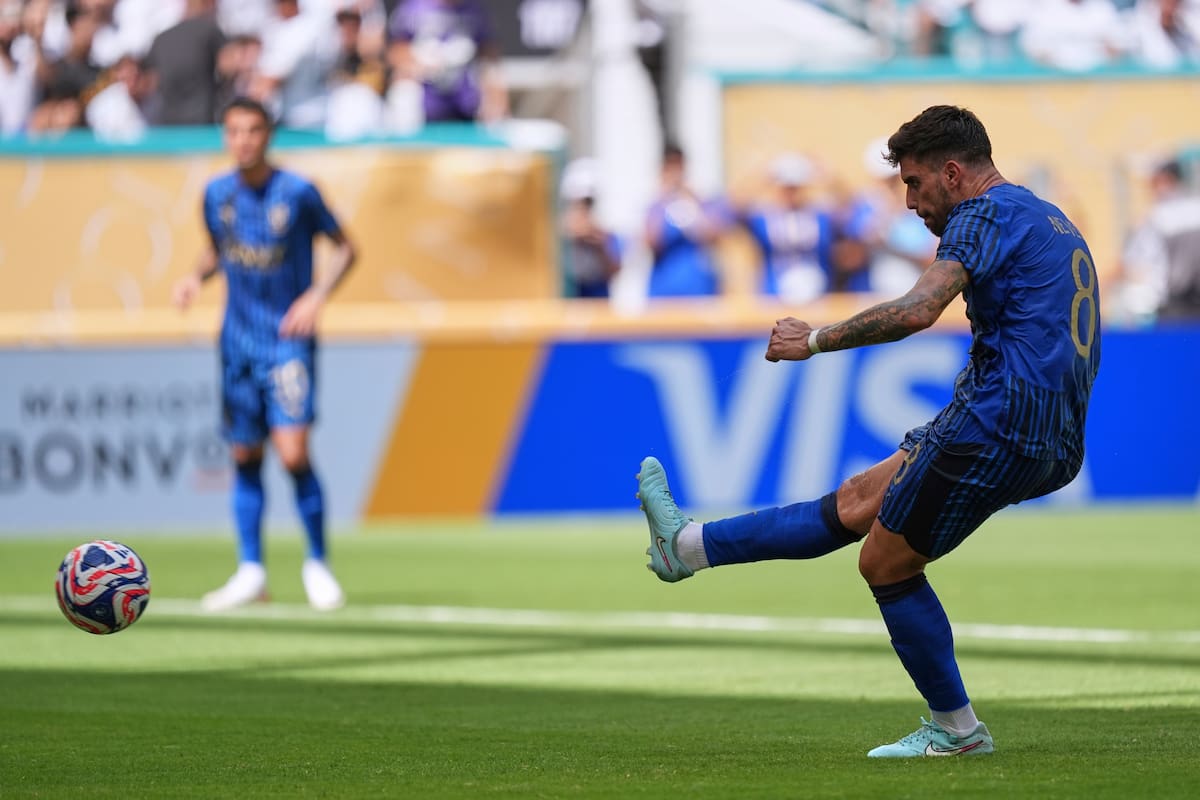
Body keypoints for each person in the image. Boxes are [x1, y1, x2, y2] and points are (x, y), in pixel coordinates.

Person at [636, 105, 1101, 757]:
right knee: (859, 500)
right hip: (1053, 431)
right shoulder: (1048, 217)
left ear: (952, 172)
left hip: (1000, 420)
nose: (908, 201)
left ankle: (957, 730)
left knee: (886, 561)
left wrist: (815, 340)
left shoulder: (981, 214)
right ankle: (685, 548)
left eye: (914, 182)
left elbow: (918, 309)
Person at [172, 97, 358, 612]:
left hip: (286, 342)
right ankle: (251, 571)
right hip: (236, 342)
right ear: (225, 136)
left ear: (268, 135)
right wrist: (194, 277)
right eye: (234, 131)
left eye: (253, 130)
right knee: (244, 454)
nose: (244, 140)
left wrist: (316, 296)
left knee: (293, 453)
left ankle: (317, 563)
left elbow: (347, 247)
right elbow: (218, 248)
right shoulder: (217, 194)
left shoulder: (297, 192)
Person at [643, 143, 727, 298]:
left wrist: (692, 204)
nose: (676, 173)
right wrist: (665, 198)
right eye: (670, 167)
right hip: (664, 292)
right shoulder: (655, 207)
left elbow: (716, 237)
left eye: (679, 167)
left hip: (699, 290)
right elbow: (651, 242)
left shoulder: (699, 202)